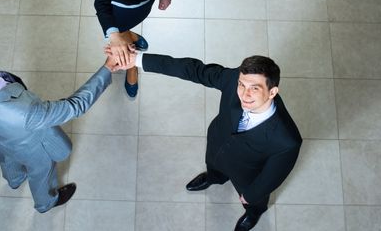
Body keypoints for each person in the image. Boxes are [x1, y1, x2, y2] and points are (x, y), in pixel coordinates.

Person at [118, 52, 302, 231]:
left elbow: (271, 177)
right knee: (214, 167)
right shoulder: (233, 78)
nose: (244, 95)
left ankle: (253, 213)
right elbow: (193, 69)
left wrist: (250, 195)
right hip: (217, 143)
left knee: (254, 201)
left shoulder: (287, 140)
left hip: (248, 174)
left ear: (272, 92)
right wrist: (137, 60)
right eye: (242, 85)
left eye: (255, 88)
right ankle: (214, 177)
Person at [0, 57, 118, 213]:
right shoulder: (25, 113)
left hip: (5, 139)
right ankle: (46, 203)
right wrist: (108, 68)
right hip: (34, 147)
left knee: (8, 155)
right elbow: (75, 106)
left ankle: (14, 179)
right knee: (42, 173)